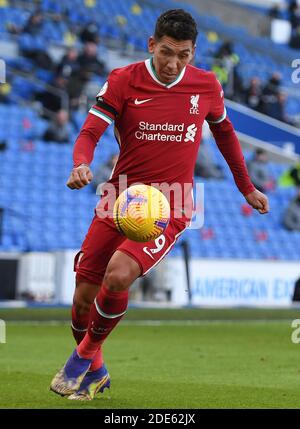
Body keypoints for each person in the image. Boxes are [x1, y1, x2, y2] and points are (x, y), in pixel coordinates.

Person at [50, 9, 269, 401]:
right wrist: (80, 163)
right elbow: (91, 130)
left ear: (193, 53)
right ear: (152, 45)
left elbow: (226, 137)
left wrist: (246, 187)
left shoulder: (206, 86)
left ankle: (79, 361)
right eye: (166, 52)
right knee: (83, 298)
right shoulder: (123, 80)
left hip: (171, 203)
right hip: (119, 199)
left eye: (183, 55)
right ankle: (97, 371)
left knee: (118, 276)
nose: (173, 63)